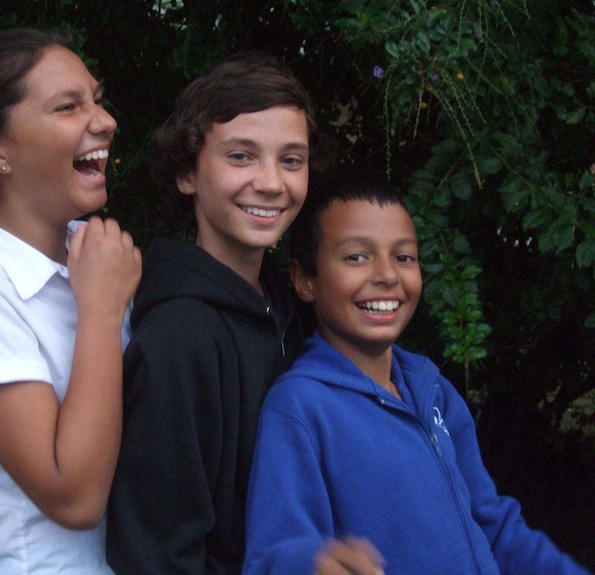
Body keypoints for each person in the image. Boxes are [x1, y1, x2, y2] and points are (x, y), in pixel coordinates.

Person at [243, 172, 592, 574]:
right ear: (305, 280)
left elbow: (493, 528)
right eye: (357, 256)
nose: (388, 275)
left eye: (404, 257)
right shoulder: (300, 408)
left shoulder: (433, 391)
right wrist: (310, 563)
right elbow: (274, 553)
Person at [0, 28, 141, 574]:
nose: (104, 120)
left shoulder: (90, 257)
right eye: (68, 106)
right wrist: (101, 311)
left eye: (97, 98)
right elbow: (74, 497)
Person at [106, 51, 315, 574]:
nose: (271, 182)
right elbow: (157, 555)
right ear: (186, 173)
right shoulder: (179, 338)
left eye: (291, 160)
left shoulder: (285, 309)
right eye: (241, 156)